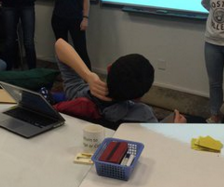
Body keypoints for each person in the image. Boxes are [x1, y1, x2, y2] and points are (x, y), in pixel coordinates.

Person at [54, 39, 187, 125]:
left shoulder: (77, 94)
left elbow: (59, 45)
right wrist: (175, 128)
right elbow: (156, 140)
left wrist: (88, 76)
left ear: (109, 68)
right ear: (138, 97)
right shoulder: (144, 115)